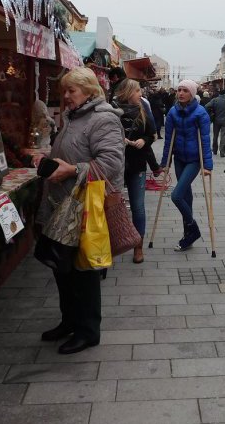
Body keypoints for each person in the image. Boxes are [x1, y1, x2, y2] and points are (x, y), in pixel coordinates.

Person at [33, 67, 124, 355]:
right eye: (64, 90)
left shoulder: (103, 119)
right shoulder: (74, 117)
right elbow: (70, 153)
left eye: (71, 90)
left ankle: (88, 331)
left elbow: (111, 163)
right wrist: (47, 159)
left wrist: (72, 170)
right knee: (63, 269)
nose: (66, 96)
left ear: (89, 91)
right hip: (63, 205)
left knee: (83, 272)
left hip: (84, 208)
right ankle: (69, 321)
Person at [160, 80, 214, 251]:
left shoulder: (200, 113)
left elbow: (205, 140)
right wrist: (165, 162)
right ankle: (188, 236)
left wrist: (207, 165)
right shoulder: (172, 112)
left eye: (185, 90)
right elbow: (168, 139)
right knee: (185, 197)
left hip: (194, 160)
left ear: (192, 93)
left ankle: (193, 228)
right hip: (179, 159)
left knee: (176, 196)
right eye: (179, 90)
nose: (181, 93)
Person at [115, 79, 156, 264]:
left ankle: (138, 246)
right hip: (115, 165)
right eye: (137, 90)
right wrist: (117, 139)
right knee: (111, 207)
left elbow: (151, 134)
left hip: (137, 163)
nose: (141, 94)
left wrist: (144, 140)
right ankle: (110, 244)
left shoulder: (143, 109)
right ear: (128, 92)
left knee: (138, 207)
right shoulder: (112, 110)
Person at [207, 89, 225, 158]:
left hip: (216, 120)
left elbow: (207, 106)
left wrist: (211, 112)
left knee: (215, 136)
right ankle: (222, 152)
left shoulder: (215, 100)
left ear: (219, 93)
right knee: (223, 136)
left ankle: (215, 150)